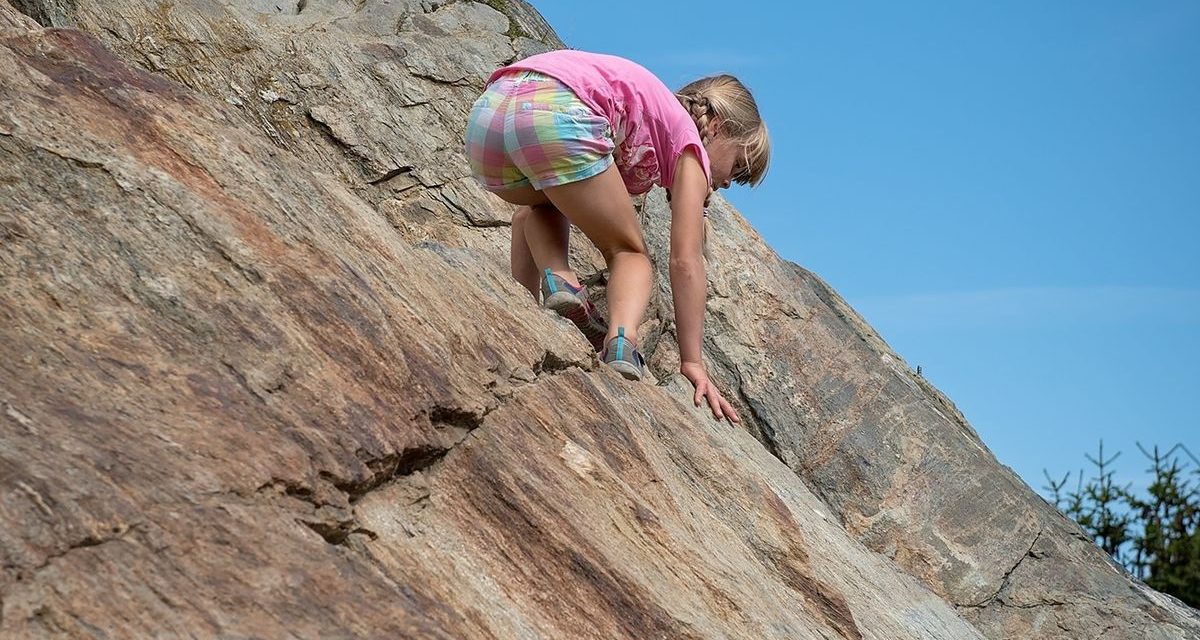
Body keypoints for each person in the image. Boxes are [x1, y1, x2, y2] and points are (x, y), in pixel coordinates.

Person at [463, 49, 769, 423]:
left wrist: (520, 310)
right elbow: (685, 260)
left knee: (544, 202)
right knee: (630, 254)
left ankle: (555, 281)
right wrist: (692, 361)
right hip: (560, 109)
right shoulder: (690, 144)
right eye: (737, 166)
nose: (725, 183)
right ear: (717, 127)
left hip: (489, 117)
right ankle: (621, 345)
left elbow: (523, 218)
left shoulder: (649, 117)